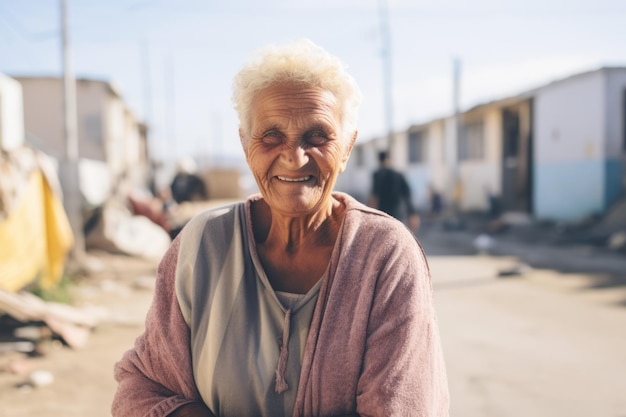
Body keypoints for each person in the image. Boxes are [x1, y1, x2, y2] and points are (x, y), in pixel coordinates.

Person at [112, 39, 449, 417]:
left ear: (348, 147)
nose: (294, 156)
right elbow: (143, 387)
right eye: (271, 135)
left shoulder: (384, 255)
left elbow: (401, 408)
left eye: (317, 136)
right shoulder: (202, 245)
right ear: (244, 144)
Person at [369, 151, 420, 232]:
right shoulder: (399, 175)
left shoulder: (377, 174)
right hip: (398, 214)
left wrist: (370, 216)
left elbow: (374, 197)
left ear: (379, 161)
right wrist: (412, 213)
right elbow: (407, 195)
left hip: (382, 215)